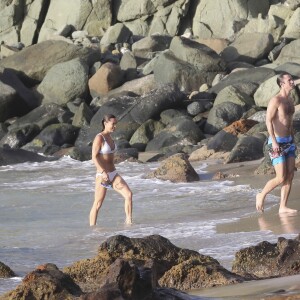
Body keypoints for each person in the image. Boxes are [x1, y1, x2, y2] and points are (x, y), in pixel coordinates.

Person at [256, 73, 298, 214]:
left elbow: (289, 121)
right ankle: (261, 195)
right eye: (289, 80)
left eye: (292, 79)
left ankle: (282, 207)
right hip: (277, 142)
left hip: (289, 142)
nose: (292, 82)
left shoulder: (290, 100)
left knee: (290, 175)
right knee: (280, 177)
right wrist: (273, 141)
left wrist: (293, 138)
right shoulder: (276, 100)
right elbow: (268, 120)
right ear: (282, 84)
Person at [89, 114, 133, 226]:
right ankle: (92, 229)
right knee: (98, 204)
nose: (115, 126)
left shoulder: (111, 137)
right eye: (113, 124)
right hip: (102, 176)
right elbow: (94, 157)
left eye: (116, 124)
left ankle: (129, 222)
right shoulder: (99, 137)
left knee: (128, 195)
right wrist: (103, 172)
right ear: (105, 123)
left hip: (113, 174)